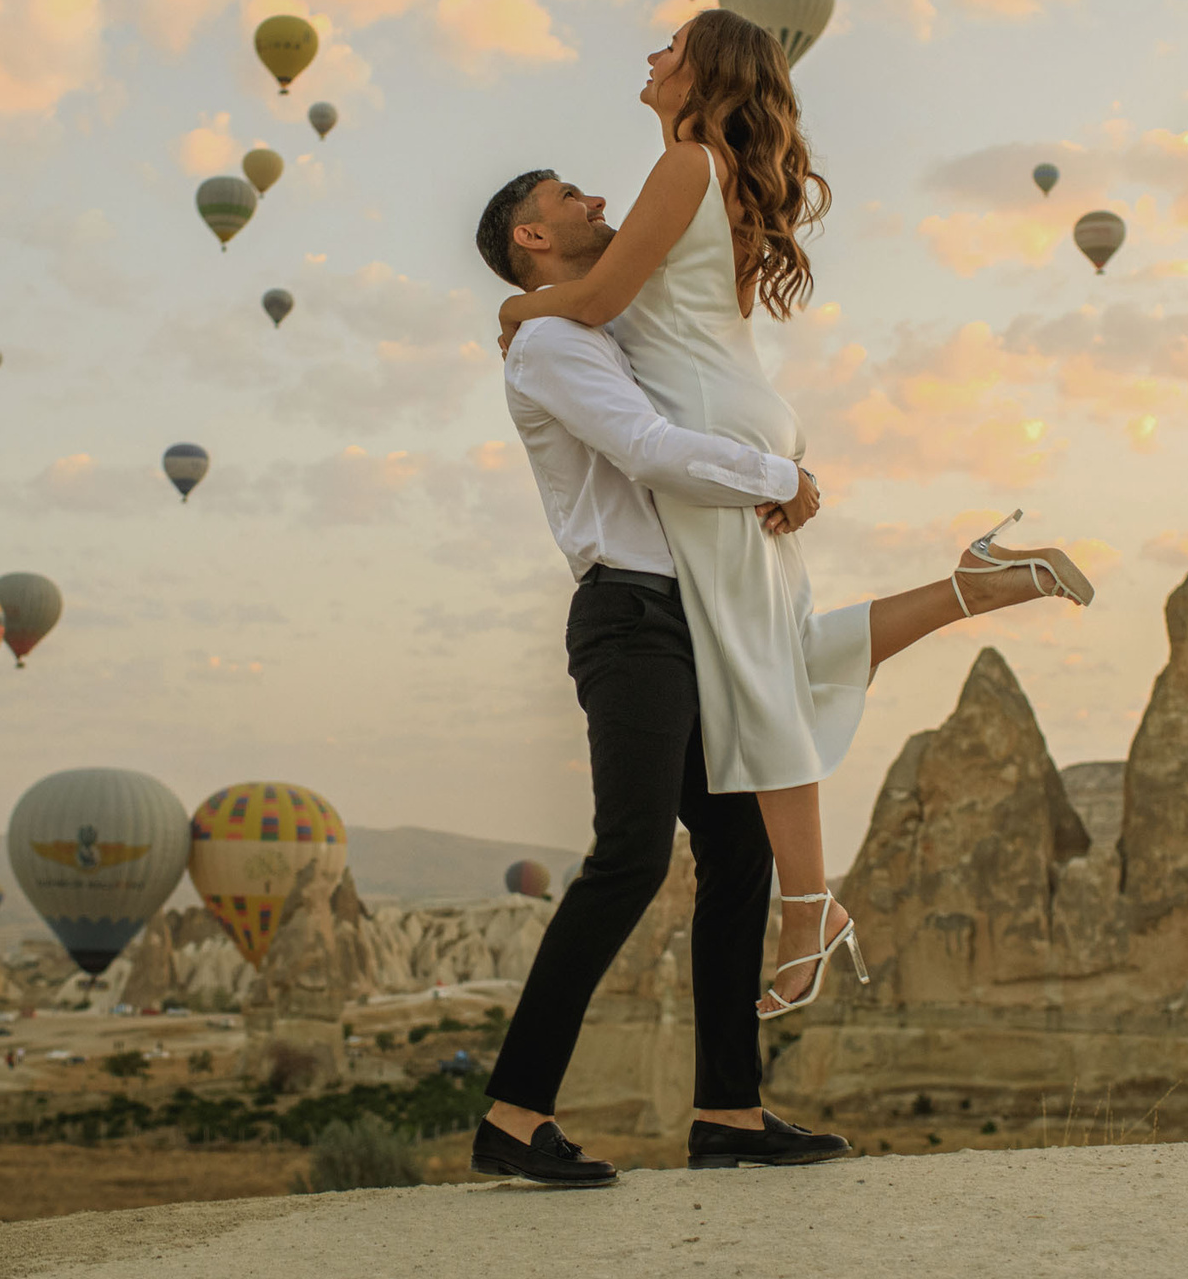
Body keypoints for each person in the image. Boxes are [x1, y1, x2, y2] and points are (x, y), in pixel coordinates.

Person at [468, 164, 1094, 1190]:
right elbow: (647, 448)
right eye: (568, 196)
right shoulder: (547, 345)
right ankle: (513, 1112)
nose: (593, 199)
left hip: (692, 611)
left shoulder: (591, 328)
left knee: (732, 845)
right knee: (629, 854)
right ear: (530, 239)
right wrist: (782, 479)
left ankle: (728, 1110)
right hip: (631, 617)